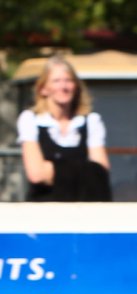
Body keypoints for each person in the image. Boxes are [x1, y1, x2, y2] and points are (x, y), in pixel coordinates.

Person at [18, 55, 111, 201]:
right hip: (44, 210)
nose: (64, 87)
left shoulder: (91, 121)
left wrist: (52, 169)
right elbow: (36, 174)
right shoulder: (31, 120)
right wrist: (83, 170)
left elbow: (100, 171)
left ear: (76, 87)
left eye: (68, 80)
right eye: (56, 81)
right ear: (43, 89)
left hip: (83, 208)